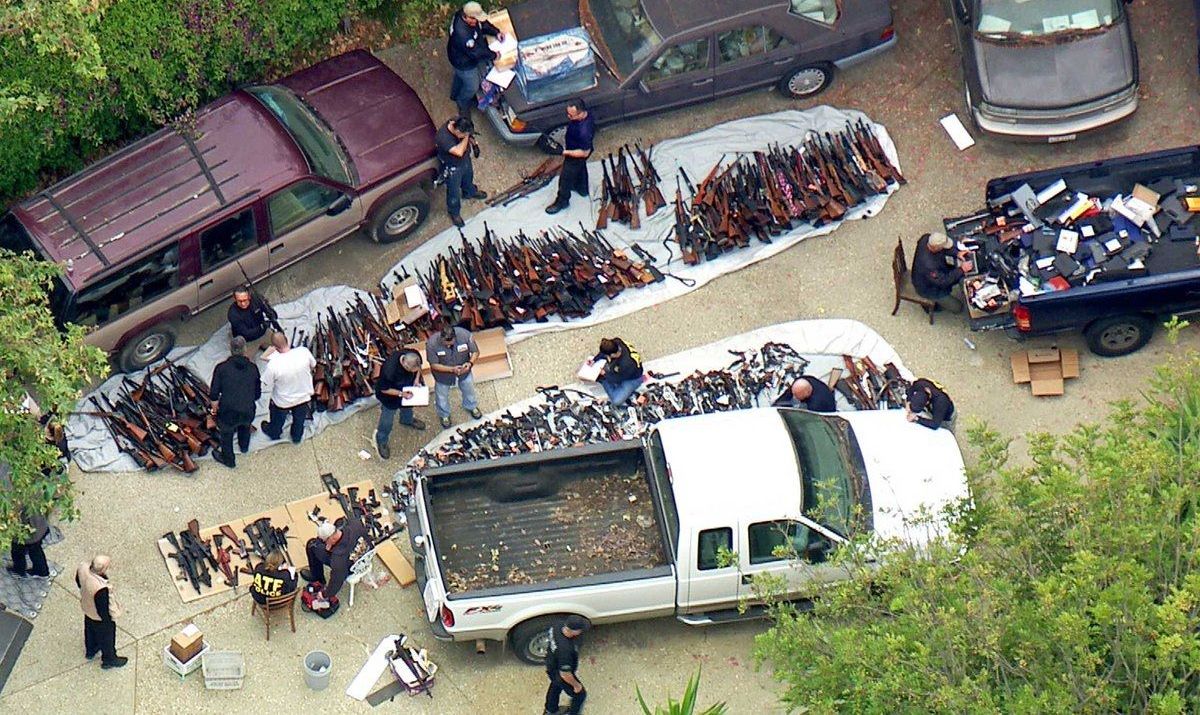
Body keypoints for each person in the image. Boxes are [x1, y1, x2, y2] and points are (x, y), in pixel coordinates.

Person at [209, 335, 261, 468]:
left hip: (228, 411)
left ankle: (229, 460)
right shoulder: (253, 368)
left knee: (226, 435)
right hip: (248, 410)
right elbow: (257, 394)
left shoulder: (221, 368)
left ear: (230, 349)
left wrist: (214, 411)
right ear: (245, 349)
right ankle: (244, 446)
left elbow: (214, 395)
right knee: (245, 427)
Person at [259, 330, 316, 444]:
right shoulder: (304, 352)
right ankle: (296, 437)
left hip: (282, 402)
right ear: (287, 340)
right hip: (303, 396)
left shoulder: (273, 364)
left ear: (275, 347)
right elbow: (313, 365)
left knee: (277, 421)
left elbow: (266, 382)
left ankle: (274, 433)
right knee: (299, 421)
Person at [446, 1, 502, 116]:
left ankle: (454, 94)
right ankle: (462, 103)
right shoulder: (463, 35)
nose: (477, 21)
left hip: (458, 56)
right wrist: (493, 55)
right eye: (475, 19)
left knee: (460, 77)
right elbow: (476, 53)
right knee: (472, 86)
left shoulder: (465, 15)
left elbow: (482, 24)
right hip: (464, 62)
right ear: (467, 18)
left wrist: (496, 32)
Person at [374, 349, 427, 460]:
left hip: (406, 391)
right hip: (390, 397)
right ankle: (381, 440)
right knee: (387, 420)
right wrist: (402, 394)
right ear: (405, 365)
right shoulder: (389, 370)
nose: (413, 372)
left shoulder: (414, 355)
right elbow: (384, 389)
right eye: (411, 371)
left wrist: (416, 379)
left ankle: (407, 420)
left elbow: (419, 368)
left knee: (408, 409)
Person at [545, 99, 596, 215]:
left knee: (565, 178)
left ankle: (562, 201)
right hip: (575, 148)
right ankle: (582, 188)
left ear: (581, 113)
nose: (568, 117)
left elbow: (584, 153)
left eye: (571, 115)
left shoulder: (584, 131)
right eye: (568, 113)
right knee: (581, 168)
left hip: (576, 155)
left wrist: (564, 152)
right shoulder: (586, 115)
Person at [303, 519, 367, 611]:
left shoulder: (337, 559)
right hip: (364, 557)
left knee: (312, 544)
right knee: (340, 521)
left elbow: (337, 581)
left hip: (349, 567)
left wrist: (324, 594)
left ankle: (318, 578)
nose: (325, 543)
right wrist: (331, 546)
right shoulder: (355, 524)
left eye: (325, 541)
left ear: (332, 539)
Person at [76, 554, 127, 669]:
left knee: (89, 631)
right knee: (107, 638)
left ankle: (91, 650)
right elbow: (103, 609)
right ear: (102, 569)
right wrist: (108, 622)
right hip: (98, 617)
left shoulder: (82, 569)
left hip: (87, 609)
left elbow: (78, 582)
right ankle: (109, 660)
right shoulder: (100, 588)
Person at [436, 116, 488, 228]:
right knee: (453, 192)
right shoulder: (443, 137)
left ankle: (470, 192)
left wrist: (475, 144)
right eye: (464, 135)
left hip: (465, 160)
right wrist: (466, 137)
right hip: (452, 167)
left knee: (468, 178)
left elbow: (470, 135)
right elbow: (459, 152)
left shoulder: (459, 121)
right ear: (458, 131)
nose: (466, 137)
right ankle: (454, 212)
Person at [427, 324, 482, 429]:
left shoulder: (465, 335)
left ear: (455, 338)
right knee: (441, 396)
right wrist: (452, 369)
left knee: (469, 389)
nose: (448, 346)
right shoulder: (431, 343)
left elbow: (475, 352)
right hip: (443, 376)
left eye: (450, 343)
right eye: (445, 344)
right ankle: (444, 415)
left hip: (464, 372)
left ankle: (471, 406)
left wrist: (470, 363)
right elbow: (434, 365)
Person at [911, 231, 973, 313]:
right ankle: (934, 306)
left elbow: (943, 250)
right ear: (935, 248)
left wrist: (957, 253)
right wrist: (962, 269)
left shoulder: (926, 239)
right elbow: (943, 281)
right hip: (928, 288)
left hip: (938, 271)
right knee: (958, 308)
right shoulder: (929, 266)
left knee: (958, 274)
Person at [543, 615, 590, 715]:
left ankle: (550, 710)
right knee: (580, 695)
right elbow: (565, 674)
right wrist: (576, 686)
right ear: (574, 631)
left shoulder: (557, 625)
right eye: (580, 630)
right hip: (560, 673)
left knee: (555, 686)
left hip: (551, 664)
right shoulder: (565, 650)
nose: (581, 632)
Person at [590, 337, 644, 406]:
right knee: (608, 368)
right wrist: (594, 360)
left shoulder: (626, 364)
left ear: (612, 355)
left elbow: (617, 379)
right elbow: (604, 353)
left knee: (616, 401)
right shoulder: (616, 342)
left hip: (633, 378)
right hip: (624, 370)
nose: (606, 356)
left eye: (608, 355)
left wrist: (605, 374)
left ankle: (603, 381)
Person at [8, 509, 50, 579]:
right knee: (36, 550)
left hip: (26, 533)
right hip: (39, 526)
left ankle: (19, 571)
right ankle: (42, 572)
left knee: (17, 551)